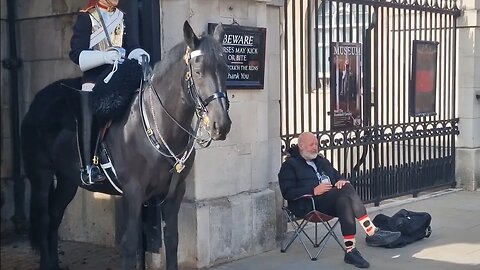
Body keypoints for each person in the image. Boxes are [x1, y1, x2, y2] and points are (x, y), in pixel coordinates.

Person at [278, 132, 401, 268]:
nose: (315, 147)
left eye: (317, 144)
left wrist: (341, 181)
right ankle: (371, 231)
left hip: (329, 201)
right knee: (345, 193)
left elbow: (338, 176)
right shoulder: (289, 165)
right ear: (301, 146)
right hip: (307, 204)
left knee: (345, 196)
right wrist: (313, 190)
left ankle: (351, 251)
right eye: (311, 144)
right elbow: (287, 193)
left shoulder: (321, 160)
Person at [69, 0, 150, 184]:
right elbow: (76, 54)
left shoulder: (122, 17)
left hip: (120, 75)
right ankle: (88, 166)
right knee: (88, 105)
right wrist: (104, 56)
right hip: (95, 78)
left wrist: (140, 54)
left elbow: (132, 46)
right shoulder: (87, 17)